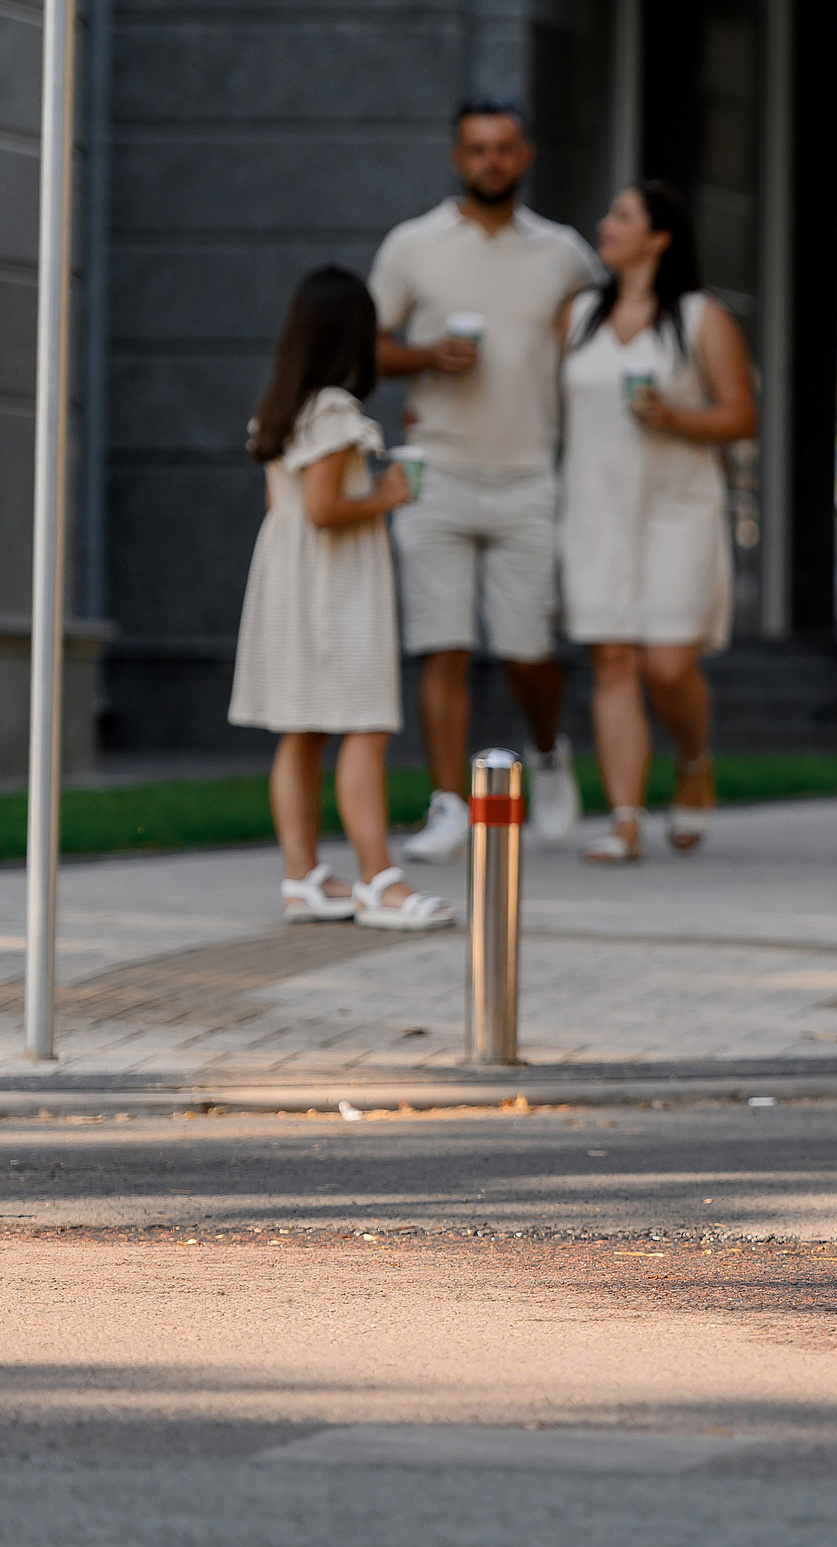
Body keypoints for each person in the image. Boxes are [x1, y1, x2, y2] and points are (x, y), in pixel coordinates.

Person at [370, 97, 600, 861]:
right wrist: (425, 356)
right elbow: (365, 348)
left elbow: (600, 346)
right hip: (436, 467)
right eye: (476, 149)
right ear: (455, 157)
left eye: (503, 148)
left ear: (525, 156)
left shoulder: (564, 253)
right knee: (443, 645)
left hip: (530, 472)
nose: (490, 161)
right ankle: (448, 803)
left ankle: (547, 752)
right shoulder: (413, 245)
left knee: (528, 649)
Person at [230, 266, 456, 933]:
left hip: (289, 580)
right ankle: (378, 879)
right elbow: (326, 510)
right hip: (335, 586)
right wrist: (386, 496)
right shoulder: (332, 411)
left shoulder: (283, 407)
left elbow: (286, 504)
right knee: (364, 722)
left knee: (302, 730)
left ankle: (302, 879)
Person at [557, 180, 758, 862]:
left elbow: (741, 416)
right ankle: (624, 820)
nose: (605, 224)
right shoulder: (578, 314)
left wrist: (674, 417)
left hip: (677, 509)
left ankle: (694, 763)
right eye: (608, 211)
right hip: (594, 510)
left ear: (660, 237)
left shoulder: (702, 318)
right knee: (612, 660)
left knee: (668, 664)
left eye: (622, 215)